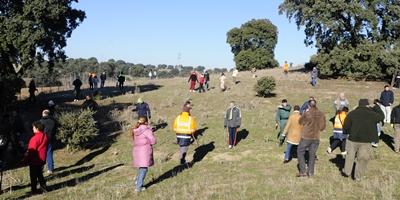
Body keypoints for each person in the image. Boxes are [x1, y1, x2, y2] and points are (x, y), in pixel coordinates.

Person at [342, 99, 384, 181]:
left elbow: (346, 126)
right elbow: (382, 116)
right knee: (362, 159)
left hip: (352, 139)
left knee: (349, 156)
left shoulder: (352, 113)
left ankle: (347, 171)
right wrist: (376, 107)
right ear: (367, 105)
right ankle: (358, 176)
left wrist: (348, 132)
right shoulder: (372, 114)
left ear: (359, 105)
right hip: (366, 141)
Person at [297, 100, 326, 177]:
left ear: (309, 106)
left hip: (306, 137)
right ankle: (311, 172)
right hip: (316, 137)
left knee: (300, 152)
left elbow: (300, 122)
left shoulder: (307, 113)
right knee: (312, 155)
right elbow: (322, 127)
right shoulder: (321, 114)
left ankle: (303, 171)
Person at [23, 121, 48, 194]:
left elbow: (31, 151)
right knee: (40, 175)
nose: (32, 128)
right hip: (42, 159)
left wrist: (25, 160)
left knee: (33, 177)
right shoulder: (45, 136)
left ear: (37, 128)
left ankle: (34, 191)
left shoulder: (34, 138)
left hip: (34, 160)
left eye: (33, 127)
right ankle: (44, 189)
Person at [132, 117, 156, 192]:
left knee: (141, 168)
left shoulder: (136, 130)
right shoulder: (147, 130)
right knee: (144, 169)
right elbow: (153, 141)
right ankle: (138, 187)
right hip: (144, 151)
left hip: (137, 151)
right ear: (146, 122)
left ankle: (138, 181)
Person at [39, 110, 56, 174]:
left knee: (41, 154)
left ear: (43, 114)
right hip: (50, 139)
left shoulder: (41, 121)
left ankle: (40, 168)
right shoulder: (53, 121)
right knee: (49, 153)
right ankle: (50, 169)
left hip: (43, 139)